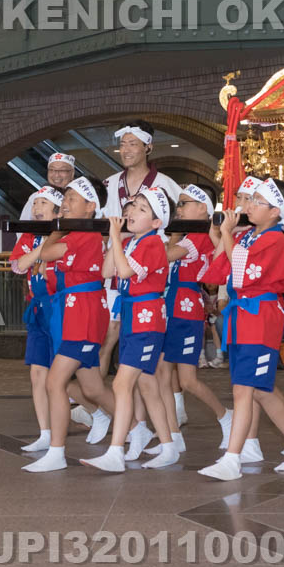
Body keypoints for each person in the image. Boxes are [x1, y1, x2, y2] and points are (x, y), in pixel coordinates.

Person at [199, 178, 284, 481]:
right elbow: (228, 261)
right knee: (259, 388)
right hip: (245, 316)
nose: (248, 205)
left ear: (275, 211)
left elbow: (241, 268)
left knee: (244, 389)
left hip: (260, 317)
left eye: (256, 201)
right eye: (249, 199)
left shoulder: (274, 238)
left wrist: (225, 233)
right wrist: (222, 236)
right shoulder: (252, 234)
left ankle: (232, 458)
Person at [22, 177, 118, 472]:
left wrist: (52, 233)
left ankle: (57, 452)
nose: (65, 204)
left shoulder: (84, 235)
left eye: (73, 199)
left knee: (55, 381)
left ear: (91, 207)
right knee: (92, 387)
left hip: (84, 313)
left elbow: (47, 254)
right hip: (76, 312)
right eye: (65, 198)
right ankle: (139, 427)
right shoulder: (75, 232)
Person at [85, 189, 178, 471]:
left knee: (121, 383)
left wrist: (115, 236)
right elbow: (106, 272)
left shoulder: (152, 245)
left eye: (141, 209)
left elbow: (124, 273)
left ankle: (116, 450)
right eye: (132, 205)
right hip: (133, 317)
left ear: (157, 222)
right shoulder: (134, 243)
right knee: (146, 385)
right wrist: (118, 241)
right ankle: (168, 445)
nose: (131, 212)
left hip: (146, 321)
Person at [148, 184, 231, 458]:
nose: (179, 208)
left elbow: (165, 256)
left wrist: (149, 241)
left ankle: (224, 416)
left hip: (185, 309)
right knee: (163, 372)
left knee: (188, 380)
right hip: (172, 306)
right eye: (179, 204)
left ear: (203, 208)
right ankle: (171, 437)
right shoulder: (188, 234)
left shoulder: (198, 237)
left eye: (184, 203)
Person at [99, 123, 182, 377]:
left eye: (133, 143)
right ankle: (105, 406)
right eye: (122, 144)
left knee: (153, 351)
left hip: (149, 271)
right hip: (117, 265)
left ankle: (168, 405)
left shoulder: (167, 184)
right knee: (110, 338)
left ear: (148, 147)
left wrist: (163, 252)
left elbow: (181, 226)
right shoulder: (110, 184)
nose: (126, 149)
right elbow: (101, 226)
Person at [11, 186, 64, 454]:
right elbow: (17, 265)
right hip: (38, 308)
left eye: (43, 203)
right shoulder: (30, 235)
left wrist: (41, 251)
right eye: (35, 203)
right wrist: (41, 249)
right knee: (37, 373)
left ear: (57, 210)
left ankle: (99, 412)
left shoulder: (66, 236)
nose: (36, 207)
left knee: (68, 374)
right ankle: (45, 432)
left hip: (62, 307)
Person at [18, 151, 78, 221]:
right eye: (52, 170)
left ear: (72, 173)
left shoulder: (81, 197)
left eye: (62, 170)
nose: (56, 175)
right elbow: (24, 224)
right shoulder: (36, 196)